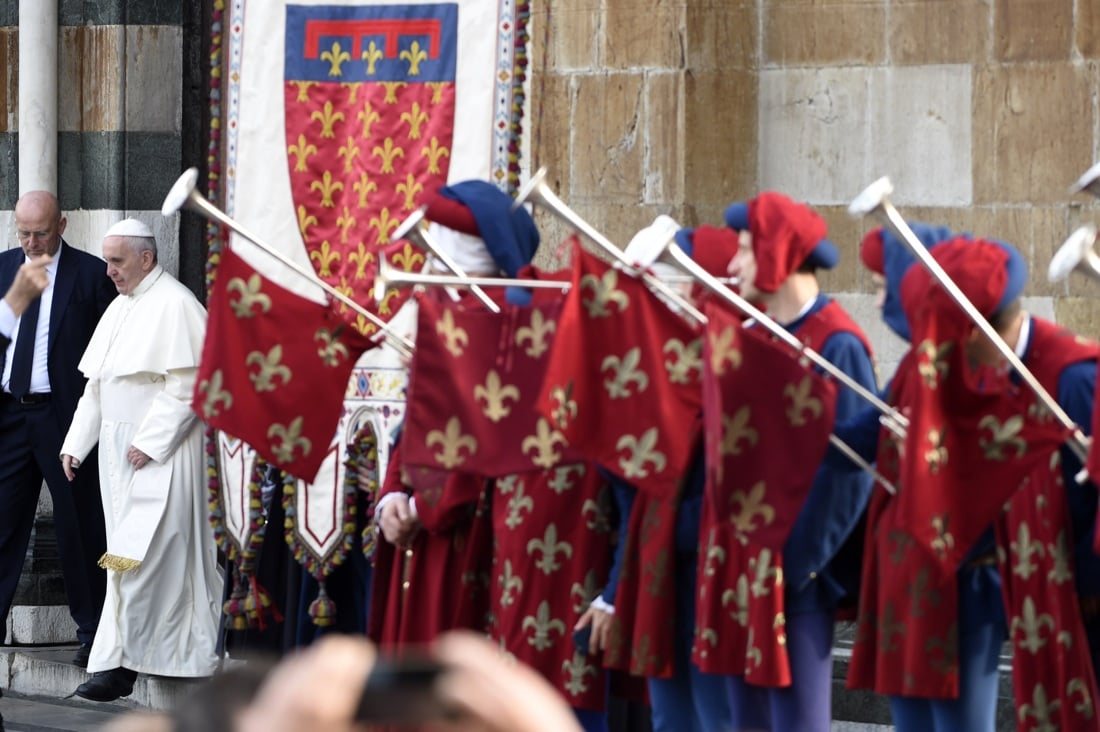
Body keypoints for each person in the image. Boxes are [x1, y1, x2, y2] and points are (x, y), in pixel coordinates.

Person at [721, 192, 877, 732]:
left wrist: (797, 563)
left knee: (797, 721)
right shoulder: (756, 334)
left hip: (799, 577)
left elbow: (849, 472)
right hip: (747, 569)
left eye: (745, 250)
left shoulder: (839, 344)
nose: (731, 264)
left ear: (776, 254)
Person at [59, 218, 221, 701]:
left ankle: (124, 665)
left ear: (146, 258)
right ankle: (120, 659)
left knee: (143, 557)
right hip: (119, 455)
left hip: (161, 456)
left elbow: (191, 382)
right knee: (124, 556)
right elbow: (98, 386)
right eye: (107, 260)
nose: (108, 271)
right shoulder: (120, 309)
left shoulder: (177, 304)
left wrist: (152, 440)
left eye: (117, 261)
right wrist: (75, 443)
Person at [0, 191, 115, 668]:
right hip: (9, 417)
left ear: (62, 225)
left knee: (79, 523)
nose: (31, 242)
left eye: (40, 233)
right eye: (23, 233)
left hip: (63, 417)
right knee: (3, 526)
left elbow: (109, 352)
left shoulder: (89, 275)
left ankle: (92, 633)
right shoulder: (7, 267)